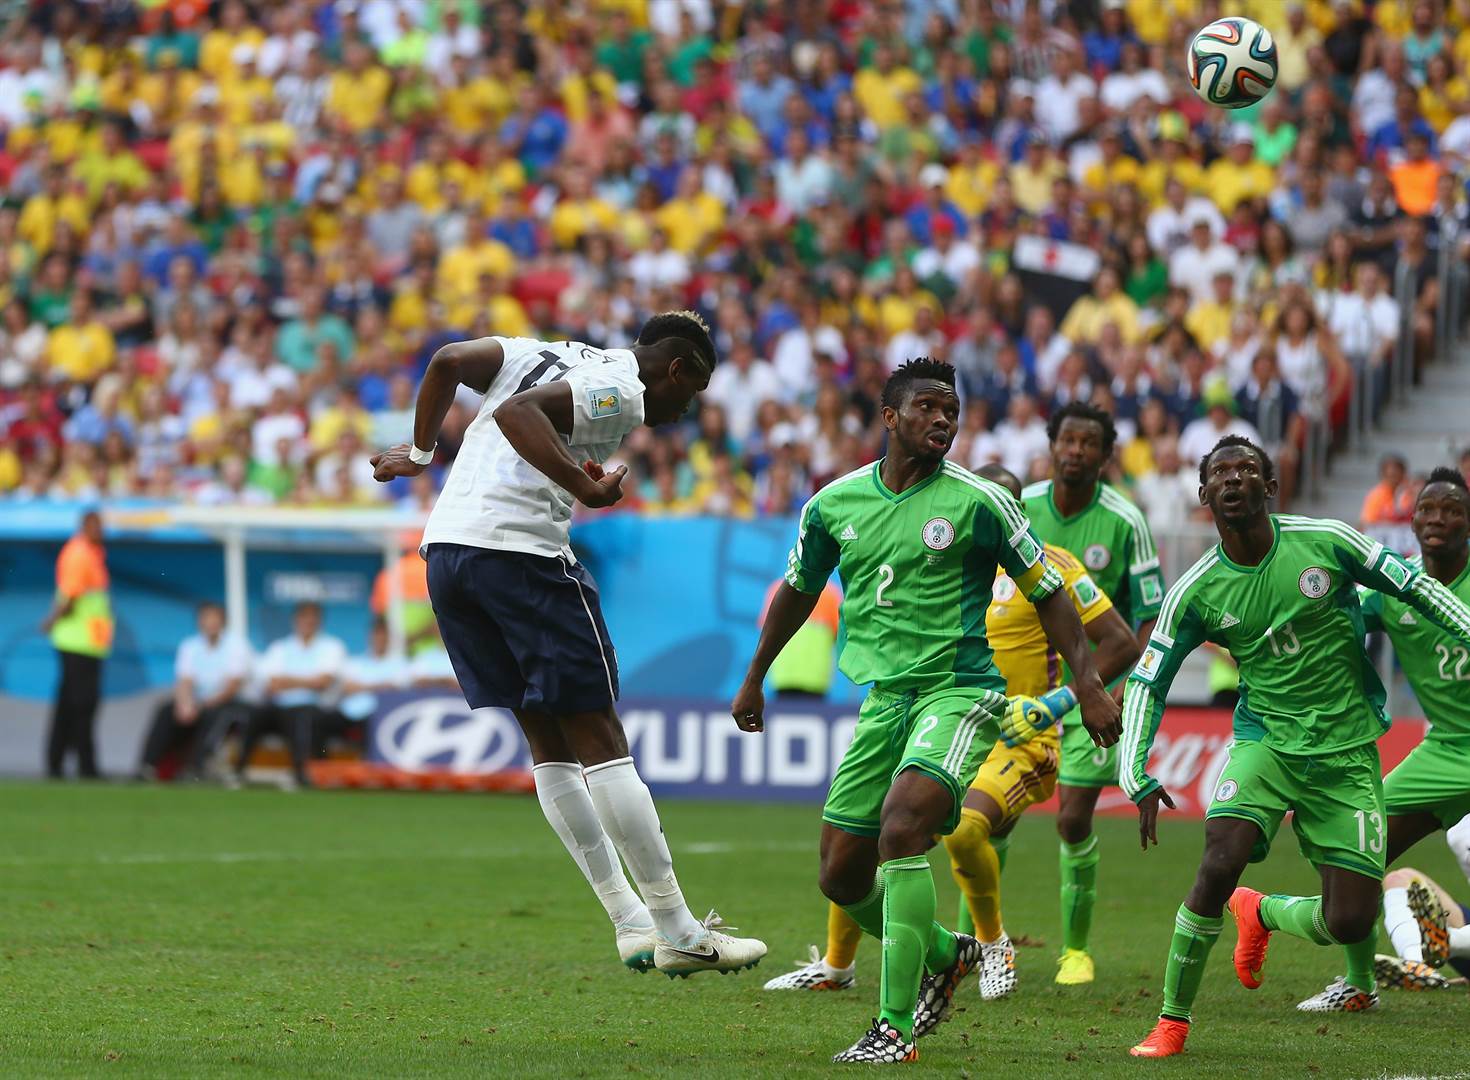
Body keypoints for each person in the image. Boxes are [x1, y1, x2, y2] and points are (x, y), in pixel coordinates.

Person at [731, 360, 1120, 1062]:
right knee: (840, 873)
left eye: (953, 411)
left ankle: (893, 1027)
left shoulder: (979, 501)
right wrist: (755, 675)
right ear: (889, 417)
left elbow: (1052, 592)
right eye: (928, 408)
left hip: (959, 690)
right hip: (884, 701)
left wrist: (1086, 685)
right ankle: (946, 950)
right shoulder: (832, 505)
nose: (944, 420)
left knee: (904, 827)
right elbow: (796, 589)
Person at [369, 311, 766, 977]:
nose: (684, 410)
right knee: (602, 742)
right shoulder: (627, 388)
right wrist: (585, 486)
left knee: (549, 747)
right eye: (691, 395)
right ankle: (678, 929)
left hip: (448, 554)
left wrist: (418, 453)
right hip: (519, 554)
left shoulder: (542, 350)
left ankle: (630, 923)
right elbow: (518, 415)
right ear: (678, 371)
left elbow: (446, 361)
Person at [1121, 436, 1470, 1058]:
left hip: (1347, 752)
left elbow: (1412, 586)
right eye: (1220, 472)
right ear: (1204, 495)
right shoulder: (1194, 591)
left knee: (1350, 921)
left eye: (1247, 469)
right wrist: (1134, 770)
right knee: (1219, 857)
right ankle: (1171, 1023)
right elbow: (1150, 676)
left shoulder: (1328, 540)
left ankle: (1263, 913)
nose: (1234, 479)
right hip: (1268, 743)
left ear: (1270, 486)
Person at [764, 463, 1139, 1005]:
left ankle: (991, 947)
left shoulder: (1051, 567)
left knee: (963, 831)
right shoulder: (930, 562)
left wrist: (1057, 703)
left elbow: (1119, 642)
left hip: (1019, 739)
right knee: (863, 833)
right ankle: (836, 964)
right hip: (936, 716)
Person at [1020, 402, 1166, 985]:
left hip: (1097, 686)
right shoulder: (1020, 507)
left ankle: (1074, 950)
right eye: (1068, 440)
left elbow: (1150, 617)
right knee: (981, 815)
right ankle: (983, 941)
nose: (1076, 451)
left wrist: (1135, 688)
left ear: (1106, 457)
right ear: (1053, 445)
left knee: (1072, 818)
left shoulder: (1125, 520)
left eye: (1089, 444)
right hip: (1020, 679)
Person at [1352, 469, 1470, 990]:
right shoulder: (1392, 586)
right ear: (1413, 520)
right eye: (1427, 509)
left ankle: (1434, 948)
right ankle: (1359, 983)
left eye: (1451, 509)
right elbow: (1333, 620)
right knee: (1355, 855)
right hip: (1442, 750)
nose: (1437, 518)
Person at [233, 602, 347, 789]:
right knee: (254, 714)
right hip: (281, 708)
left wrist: (286, 681)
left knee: (304, 716)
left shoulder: (332, 646)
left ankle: (301, 772)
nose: (308, 622)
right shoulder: (280, 647)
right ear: (295, 620)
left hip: (315, 709)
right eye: (304, 618)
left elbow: (322, 682)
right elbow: (270, 684)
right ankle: (238, 770)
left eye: (313, 618)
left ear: (319, 622)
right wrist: (305, 681)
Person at [137, 601, 253, 781]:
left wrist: (200, 706)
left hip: (225, 702)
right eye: (206, 618)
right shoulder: (190, 646)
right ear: (199, 621)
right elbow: (184, 681)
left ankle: (195, 767)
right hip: (197, 702)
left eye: (215, 618)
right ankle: (147, 766)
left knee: (216, 714)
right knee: (166, 710)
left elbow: (232, 687)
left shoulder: (236, 645)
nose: (211, 622)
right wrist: (185, 704)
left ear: (223, 621)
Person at [42, 509, 112, 779]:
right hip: (77, 642)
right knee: (82, 706)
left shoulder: (92, 553)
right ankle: (85, 766)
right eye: (95, 526)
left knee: (70, 704)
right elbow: (70, 596)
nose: (100, 531)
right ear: (84, 527)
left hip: (88, 644)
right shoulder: (79, 554)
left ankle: (58, 762)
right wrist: (51, 620)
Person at [759, 578, 841, 701]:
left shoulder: (778, 589)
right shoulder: (830, 593)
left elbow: (766, 633)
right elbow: (839, 635)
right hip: (815, 680)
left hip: (784, 678)